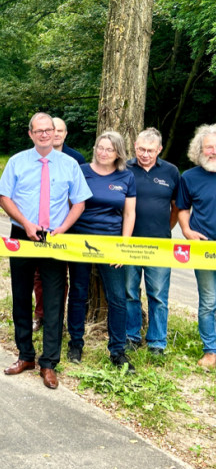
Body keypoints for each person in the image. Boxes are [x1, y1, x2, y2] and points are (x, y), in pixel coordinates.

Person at [0, 112, 91, 390]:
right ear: (30, 134)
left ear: (56, 132)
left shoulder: (70, 164)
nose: (44, 134)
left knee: (53, 300)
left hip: (56, 237)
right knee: (21, 296)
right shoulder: (17, 162)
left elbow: (80, 203)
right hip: (22, 234)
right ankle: (25, 355)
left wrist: (63, 229)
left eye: (48, 130)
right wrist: (25, 223)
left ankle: (49, 362)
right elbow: (4, 198)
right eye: (38, 131)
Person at [67, 131, 137, 372]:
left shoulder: (126, 177)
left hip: (112, 245)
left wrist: (123, 247)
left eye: (109, 149)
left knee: (117, 298)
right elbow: (70, 203)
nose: (103, 152)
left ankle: (118, 351)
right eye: (100, 147)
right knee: (77, 292)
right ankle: (75, 343)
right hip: (80, 241)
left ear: (118, 153)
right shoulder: (81, 171)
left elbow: (129, 214)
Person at [124, 128, 180, 356]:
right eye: (141, 149)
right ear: (135, 146)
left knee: (158, 294)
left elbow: (177, 207)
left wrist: (166, 228)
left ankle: (157, 341)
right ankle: (131, 336)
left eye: (150, 150)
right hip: (129, 243)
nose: (145, 154)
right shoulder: (124, 168)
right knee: (129, 292)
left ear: (159, 149)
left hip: (160, 244)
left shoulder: (171, 172)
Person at [31, 117, 87, 332]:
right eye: (51, 131)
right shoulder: (34, 156)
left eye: (59, 131)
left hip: (66, 226)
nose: (55, 135)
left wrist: (66, 223)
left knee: (61, 274)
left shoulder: (76, 159)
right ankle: (40, 314)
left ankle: (58, 318)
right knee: (38, 273)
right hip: (39, 226)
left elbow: (79, 196)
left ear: (64, 133)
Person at [176, 123, 216, 370]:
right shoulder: (189, 177)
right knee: (209, 301)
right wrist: (187, 231)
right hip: (204, 249)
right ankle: (211, 351)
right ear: (199, 150)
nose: (214, 151)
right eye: (209, 147)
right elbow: (182, 209)